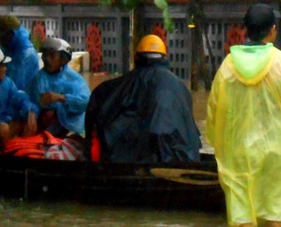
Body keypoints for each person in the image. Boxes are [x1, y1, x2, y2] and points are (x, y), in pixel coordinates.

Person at [205, 4, 281, 227]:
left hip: (239, 153)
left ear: (246, 31)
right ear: (272, 30)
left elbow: (214, 111)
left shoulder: (227, 68)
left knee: (241, 223)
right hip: (280, 154)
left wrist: (218, 144)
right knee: (278, 220)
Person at [85, 34, 201, 163]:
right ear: (164, 57)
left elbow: (98, 107)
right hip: (180, 158)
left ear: (136, 57)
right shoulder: (181, 88)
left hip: (135, 160)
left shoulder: (121, 85)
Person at [26, 37, 90, 137]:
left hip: (73, 127)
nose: (47, 59)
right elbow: (28, 100)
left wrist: (62, 98)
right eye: (45, 55)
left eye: (52, 55)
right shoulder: (39, 78)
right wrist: (32, 111)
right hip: (45, 127)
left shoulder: (74, 79)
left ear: (63, 60)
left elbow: (86, 103)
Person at [0, 15, 40, 91]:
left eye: (1, 36)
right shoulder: (8, 49)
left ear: (11, 33)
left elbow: (14, 87)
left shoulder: (25, 56)